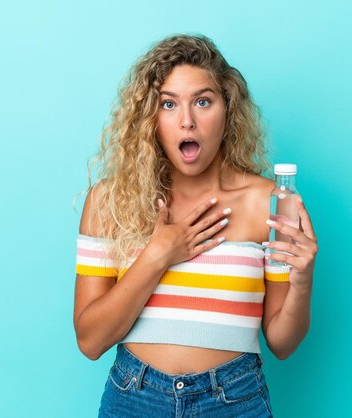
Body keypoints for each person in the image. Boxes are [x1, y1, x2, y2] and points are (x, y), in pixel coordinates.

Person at [73, 33, 318, 417]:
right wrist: (158, 254)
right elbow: (90, 340)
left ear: (227, 109)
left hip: (234, 400)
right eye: (169, 104)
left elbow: (282, 343)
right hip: (134, 398)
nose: (187, 121)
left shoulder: (267, 203)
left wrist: (302, 281)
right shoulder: (109, 202)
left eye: (202, 102)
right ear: (150, 117)